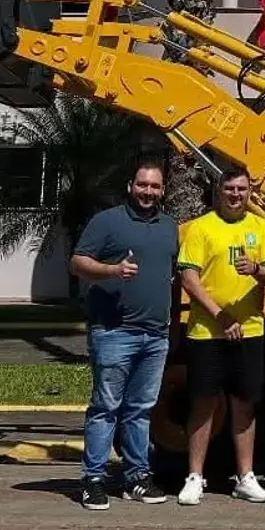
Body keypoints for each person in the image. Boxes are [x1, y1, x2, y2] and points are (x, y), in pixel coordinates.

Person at [71, 156, 177, 511]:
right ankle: (93, 480)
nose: (148, 191)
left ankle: (136, 477)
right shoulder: (107, 222)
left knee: (141, 410)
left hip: (155, 335)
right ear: (130, 186)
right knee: (106, 408)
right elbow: (78, 263)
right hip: (114, 332)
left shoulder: (169, 226)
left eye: (155, 186)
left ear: (163, 190)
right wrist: (112, 270)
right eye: (142, 185)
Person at [175, 165, 265, 507]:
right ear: (219, 190)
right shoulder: (201, 228)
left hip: (250, 330)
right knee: (203, 403)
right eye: (230, 188)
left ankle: (245, 477)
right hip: (207, 332)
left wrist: (257, 271)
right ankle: (194, 476)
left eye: (242, 189)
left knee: (243, 404)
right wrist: (220, 316)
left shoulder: (262, 228)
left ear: (251, 192)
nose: (236, 194)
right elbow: (189, 279)